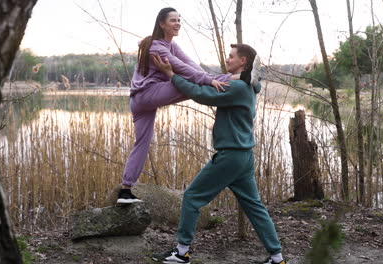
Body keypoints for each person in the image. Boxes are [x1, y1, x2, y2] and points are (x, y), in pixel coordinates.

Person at [151, 44, 285, 264]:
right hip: (244, 156)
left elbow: (200, 94)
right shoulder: (247, 85)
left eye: (231, 57)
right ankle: (277, 258)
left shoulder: (239, 88)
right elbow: (207, 81)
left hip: (231, 156)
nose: (227, 59)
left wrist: (170, 74)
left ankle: (181, 252)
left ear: (243, 61)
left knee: (192, 197)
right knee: (254, 207)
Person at [117, 7, 235, 203]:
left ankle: (125, 191)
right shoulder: (156, 46)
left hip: (142, 101)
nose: (177, 23)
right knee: (187, 85)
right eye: (173, 20)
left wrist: (208, 77)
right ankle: (234, 81)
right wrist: (208, 80)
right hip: (147, 94)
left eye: (179, 20)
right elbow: (180, 68)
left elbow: (191, 65)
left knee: (142, 144)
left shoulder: (172, 46)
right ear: (162, 24)